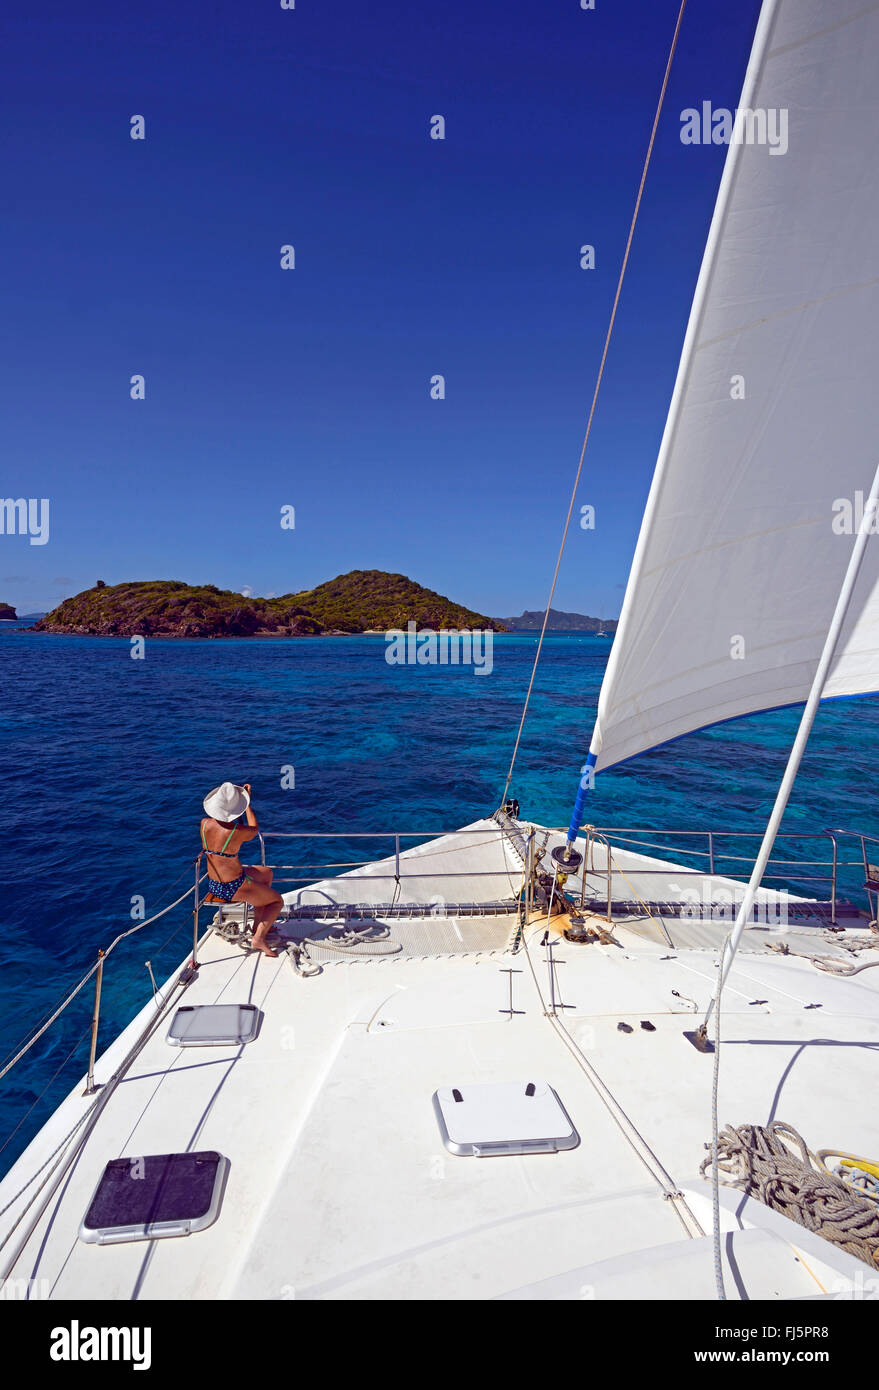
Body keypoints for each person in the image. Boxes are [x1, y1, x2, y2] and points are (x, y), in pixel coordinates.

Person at [200, 781, 283, 958]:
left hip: (215, 884)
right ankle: (259, 938)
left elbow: (227, 826)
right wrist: (247, 804)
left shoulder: (204, 824)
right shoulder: (236, 832)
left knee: (266, 873)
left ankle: (258, 925)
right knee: (277, 901)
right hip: (235, 886)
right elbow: (254, 829)